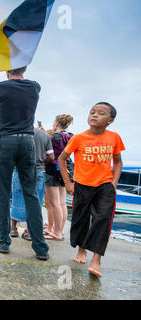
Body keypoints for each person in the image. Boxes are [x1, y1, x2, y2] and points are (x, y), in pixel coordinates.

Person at [0, 66, 49, 261]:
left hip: (6, 140)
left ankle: (4, 241)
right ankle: (40, 247)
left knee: (3, 192)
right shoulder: (35, 87)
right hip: (27, 140)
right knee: (31, 195)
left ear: (6, 71)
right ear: (26, 67)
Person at [58, 102, 124, 278]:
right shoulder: (78, 138)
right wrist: (68, 182)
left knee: (103, 218)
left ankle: (96, 259)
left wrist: (114, 183)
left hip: (105, 185)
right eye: (92, 112)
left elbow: (118, 161)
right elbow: (62, 159)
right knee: (80, 218)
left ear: (109, 121)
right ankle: (82, 251)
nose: (94, 115)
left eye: (100, 113)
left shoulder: (114, 137)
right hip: (82, 184)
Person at [10, 127, 54, 240]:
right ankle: (29, 231)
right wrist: (41, 162)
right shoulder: (45, 136)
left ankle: (13, 228)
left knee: (17, 198)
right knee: (36, 201)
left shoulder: (19, 133)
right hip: (38, 171)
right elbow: (51, 157)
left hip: (20, 170)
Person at [44, 114, 74, 240]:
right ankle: (60, 230)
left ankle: (56, 232)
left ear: (56, 123)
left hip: (52, 170)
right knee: (62, 203)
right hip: (65, 170)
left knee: (55, 203)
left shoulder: (54, 137)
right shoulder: (70, 136)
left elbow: (50, 155)